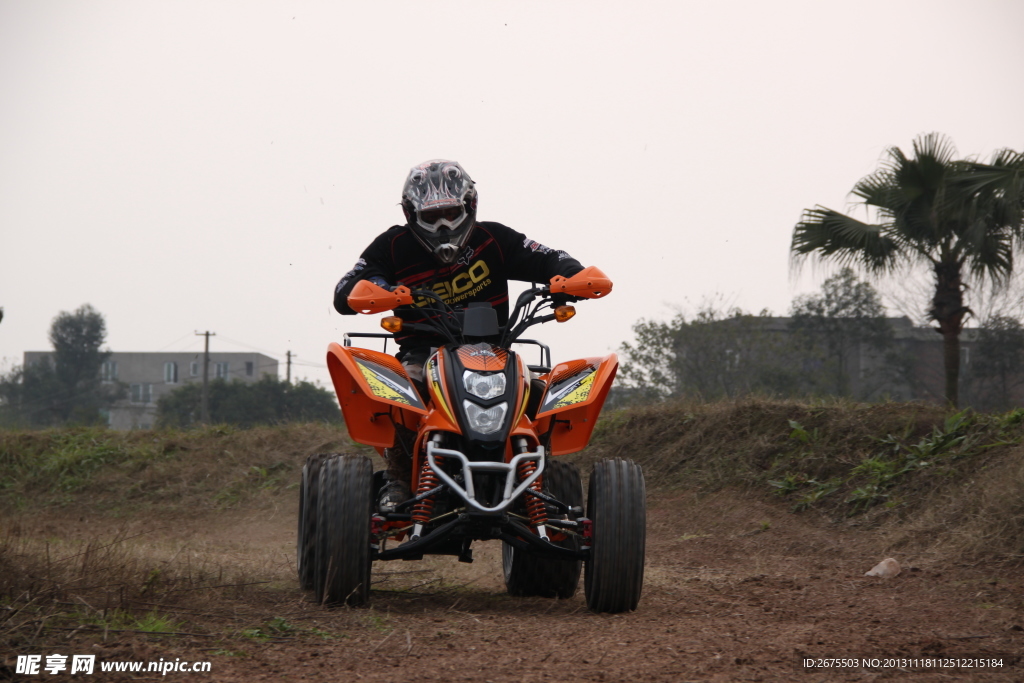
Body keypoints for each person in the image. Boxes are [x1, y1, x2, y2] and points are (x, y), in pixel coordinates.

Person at [333, 159, 585, 511]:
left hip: (495, 352)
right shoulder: (392, 246)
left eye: (450, 212)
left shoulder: (494, 239)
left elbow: (550, 258)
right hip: (422, 352)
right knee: (404, 390)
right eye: (431, 215)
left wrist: (569, 278)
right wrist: (377, 287)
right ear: (410, 213)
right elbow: (346, 288)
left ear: (469, 205)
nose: (442, 224)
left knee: (543, 397)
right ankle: (400, 480)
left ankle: (540, 483)